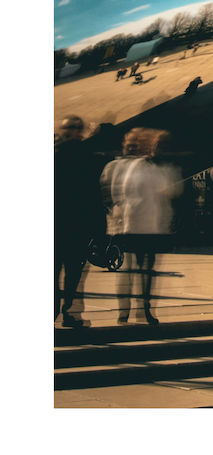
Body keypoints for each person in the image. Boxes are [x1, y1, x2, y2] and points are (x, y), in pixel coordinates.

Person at [100, 128, 182, 325]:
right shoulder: (126, 166)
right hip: (131, 226)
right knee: (130, 269)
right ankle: (126, 311)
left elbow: (169, 189)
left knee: (145, 270)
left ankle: (142, 309)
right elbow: (117, 194)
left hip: (149, 226)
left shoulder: (151, 166)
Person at [55, 116, 104, 328]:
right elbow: (94, 196)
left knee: (56, 271)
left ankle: (57, 311)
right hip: (75, 225)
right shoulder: (89, 157)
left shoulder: (53, 155)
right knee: (72, 272)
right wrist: (100, 229)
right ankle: (66, 312)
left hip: (61, 225)